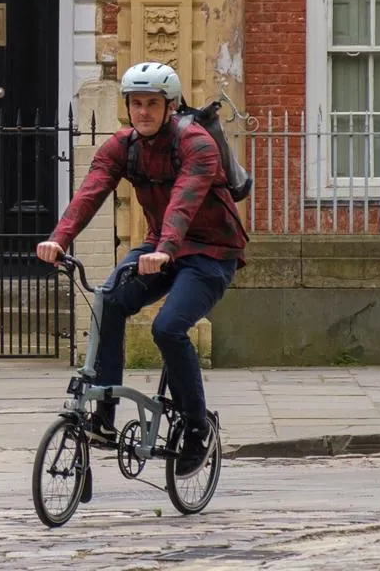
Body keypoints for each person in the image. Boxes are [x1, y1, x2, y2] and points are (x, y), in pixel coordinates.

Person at [36, 62, 247, 478]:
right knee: (110, 300)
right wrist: (59, 239)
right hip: (160, 247)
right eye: (136, 103)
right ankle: (104, 412)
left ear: (170, 107)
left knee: (167, 328)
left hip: (211, 251)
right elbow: (90, 192)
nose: (143, 112)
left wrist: (165, 249)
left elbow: (183, 203)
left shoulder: (196, 144)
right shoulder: (122, 146)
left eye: (153, 103)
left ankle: (197, 428)